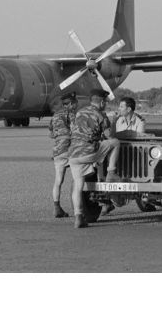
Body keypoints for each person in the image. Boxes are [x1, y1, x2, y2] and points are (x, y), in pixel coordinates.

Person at [68, 88, 120, 228]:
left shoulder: (79, 112)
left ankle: (78, 217)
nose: (106, 105)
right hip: (89, 151)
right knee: (115, 143)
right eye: (106, 102)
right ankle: (111, 173)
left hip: (73, 154)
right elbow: (110, 136)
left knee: (78, 187)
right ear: (102, 102)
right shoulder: (101, 115)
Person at [48, 91, 78, 218]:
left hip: (58, 150)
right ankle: (79, 208)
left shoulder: (55, 115)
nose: (76, 106)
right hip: (70, 149)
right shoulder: (71, 114)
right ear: (70, 104)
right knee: (79, 178)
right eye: (75, 103)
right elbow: (75, 130)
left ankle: (56, 207)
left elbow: (51, 133)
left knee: (58, 181)